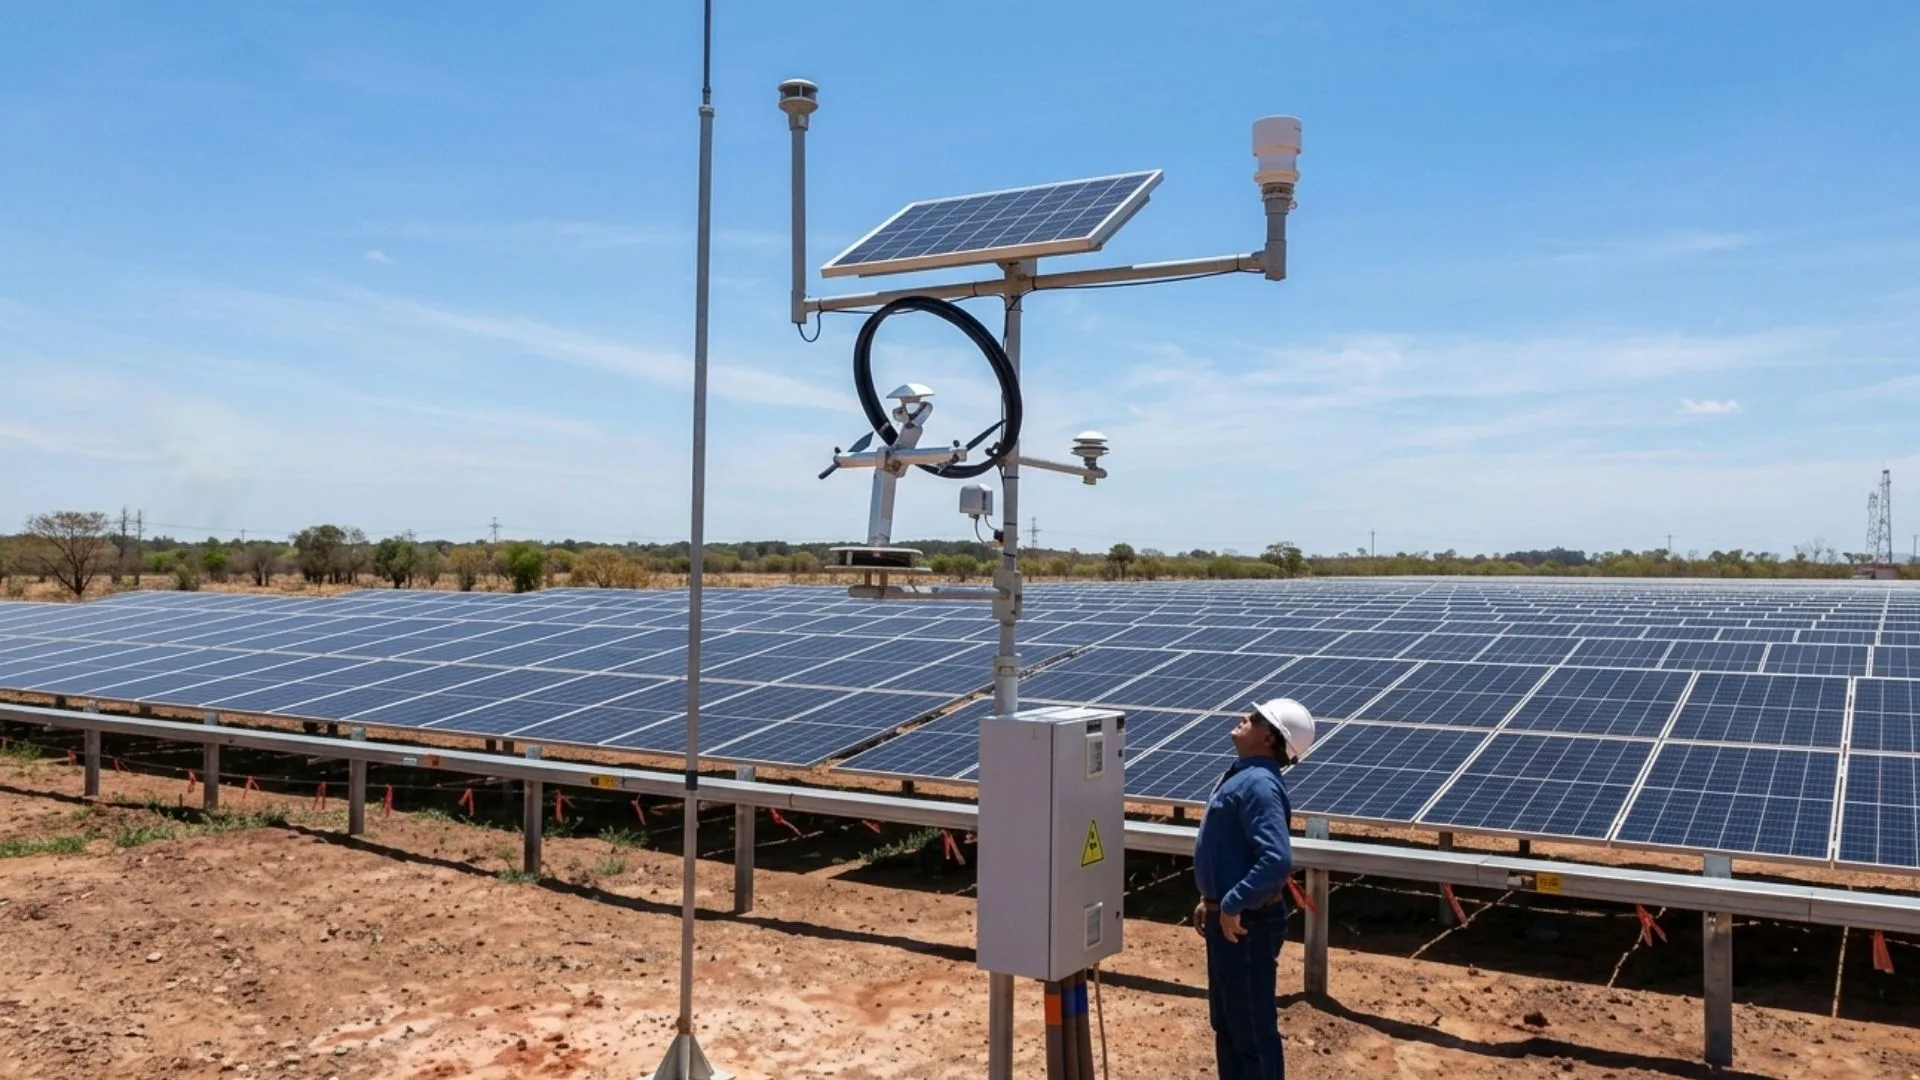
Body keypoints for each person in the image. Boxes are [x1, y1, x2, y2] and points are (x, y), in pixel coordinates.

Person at [1192, 697, 1314, 1080]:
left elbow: (1276, 859)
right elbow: (1235, 850)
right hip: (1231, 920)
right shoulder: (1245, 774)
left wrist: (1231, 904)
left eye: (1257, 718)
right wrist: (1209, 900)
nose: (1246, 718)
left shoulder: (1259, 784)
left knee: (1250, 1032)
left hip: (1247, 924)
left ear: (1269, 738)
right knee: (1228, 1025)